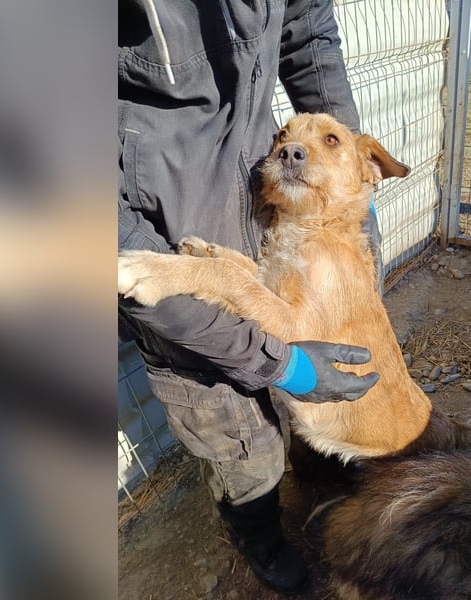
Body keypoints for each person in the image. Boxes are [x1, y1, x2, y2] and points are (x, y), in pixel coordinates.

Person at [118, 0, 382, 594]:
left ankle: (314, 469)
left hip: (259, 231)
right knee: (243, 447)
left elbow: (307, 33)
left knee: (308, 420)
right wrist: (284, 362)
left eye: (315, 143)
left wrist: (351, 184)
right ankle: (260, 537)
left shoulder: (309, 192)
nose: (288, 148)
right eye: (285, 140)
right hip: (170, 267)